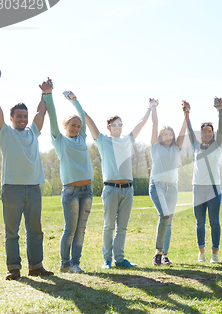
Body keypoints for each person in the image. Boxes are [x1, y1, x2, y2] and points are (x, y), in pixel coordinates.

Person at [0, 69, 53, 280]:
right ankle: (14, 268)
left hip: (34, 187)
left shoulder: (33, 132)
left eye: (25, 116)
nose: (23, 119)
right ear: (12, 118)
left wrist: (45, 94)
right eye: (19, 116)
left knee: (35, 230)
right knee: (12, 232)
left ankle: (36, 266)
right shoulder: (4, 132)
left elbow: (40, 113)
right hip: (12, 189)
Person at [84, 99, 151, 269]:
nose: (118, 127)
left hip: (128, 190)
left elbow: (141, 123)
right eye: (115, 125)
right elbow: (89, 122)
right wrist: (76, 103)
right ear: (109, 127)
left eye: (120, 124)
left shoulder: (127, 140)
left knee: (122, 227)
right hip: (111, 189)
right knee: (109, 226)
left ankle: (119, 259)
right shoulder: (102, 141)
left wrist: (150, 107)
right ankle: (107, 260)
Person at [44, 90, 94, 273]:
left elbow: (82, 116)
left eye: (79, 126)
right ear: (65, 125)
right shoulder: (60, 141)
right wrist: (48, 96)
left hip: (87, 191)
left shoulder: (81, 138)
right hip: (71, 192)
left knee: (81, 230)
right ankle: (65, 265)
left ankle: (75, 264)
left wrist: (74, 100)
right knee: (70, 230)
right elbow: (52, 118)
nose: (76, 128)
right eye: (73, 125)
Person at [149, 99, 188, 266]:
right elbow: (155, 124)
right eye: (165, 134)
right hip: (157, 186)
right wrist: (154, 108)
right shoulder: (155, 147)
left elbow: (183, 130)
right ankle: (157, 254)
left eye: (170, 134)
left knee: (168, 221)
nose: (168, 136)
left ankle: (164, 256)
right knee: (164, 215)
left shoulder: (175, 148)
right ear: (160, 136)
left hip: (172, 188)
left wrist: (186, 114)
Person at [186, 98, 222, 263]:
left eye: (210, 131)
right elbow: (188, 130)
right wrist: (187, 113)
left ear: (213, 133)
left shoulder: (217, 145)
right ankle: (201, 253)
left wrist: (220, 111)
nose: (207, 133)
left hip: (213, 189)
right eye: (204, 131)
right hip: (198, 188)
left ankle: (214, 254)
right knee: (199, 222)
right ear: (201, 134)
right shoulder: (195, 147)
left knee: (214, 222)